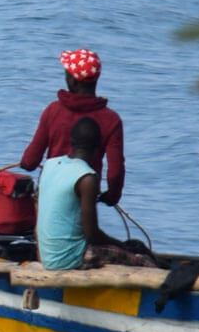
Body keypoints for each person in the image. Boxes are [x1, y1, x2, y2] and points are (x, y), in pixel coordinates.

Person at [37, 117, 157, 270]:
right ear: (97, 147)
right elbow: (92, 234)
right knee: (143, 261)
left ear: (71, 141)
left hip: (48, 255)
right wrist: (121, 246)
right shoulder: (87, 177)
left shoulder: (50, 164)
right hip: (70, 258)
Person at [18, 48, 126, 207]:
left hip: (50, 193)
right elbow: (115, 172)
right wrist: (111, 197)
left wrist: (25, 163)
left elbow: (30, 162)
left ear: (72, 80)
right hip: (85, 197)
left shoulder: (53, 110)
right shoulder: (111, 120)